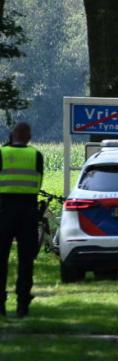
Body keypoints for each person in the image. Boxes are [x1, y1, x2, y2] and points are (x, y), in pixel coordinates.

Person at [0, 122, 44, 318]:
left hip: (3, 211)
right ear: (29, 137)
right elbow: (38, 182)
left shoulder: (1, 154)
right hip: (28, 212)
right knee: (26, 261)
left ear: (12, 135)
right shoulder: (36, 155)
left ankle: (0, 305)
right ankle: (22, 304)